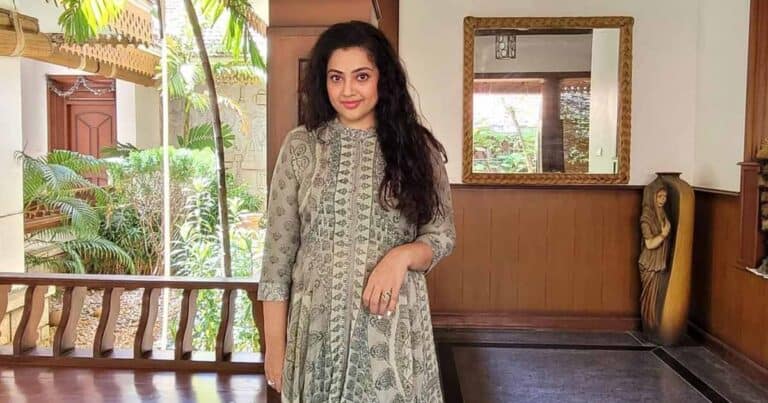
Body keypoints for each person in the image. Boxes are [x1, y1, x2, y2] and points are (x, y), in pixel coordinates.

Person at [256, 20, 456, 402]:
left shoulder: (418, 149)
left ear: (383, 78)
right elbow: (277, 260)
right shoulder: (301, 148)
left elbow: (442, 234)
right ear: (324, 82)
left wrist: (401, 257)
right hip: (315, 335)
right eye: (336, 78)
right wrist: (275, 346)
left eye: (361, 76)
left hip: (391, 330)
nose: (348, 90)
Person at [638, 178, 671, 333]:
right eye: (659, 196)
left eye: (665, 197)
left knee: (658, 299)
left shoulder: (661, 213)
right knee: (650, 300)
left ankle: (657, 327)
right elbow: (650, 244)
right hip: (650, 263)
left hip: (660, 262)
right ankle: (651, 328)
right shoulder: (646, 218)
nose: (663, 200)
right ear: (652, 196)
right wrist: (663, 235)